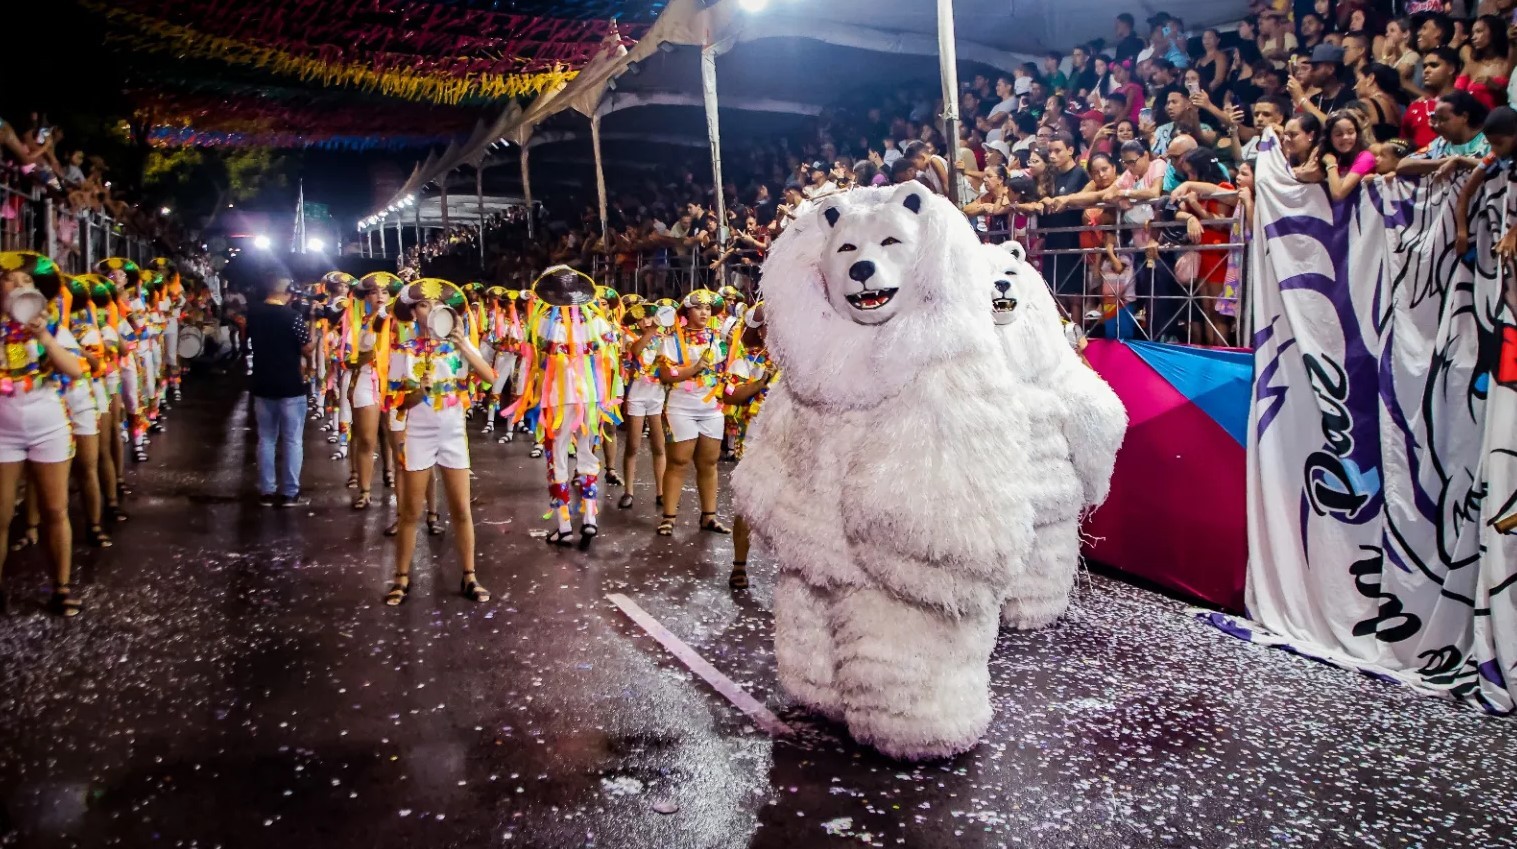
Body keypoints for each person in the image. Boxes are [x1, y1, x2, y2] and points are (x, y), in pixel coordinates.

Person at [385, 279, 495, 605]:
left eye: (435, 304)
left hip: (453, 434)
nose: (429, 309)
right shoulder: (403, 351)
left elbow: (489, 377)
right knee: (409, 511)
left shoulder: (458, 346)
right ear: (413, 312)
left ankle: (469, 576)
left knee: (461, 509)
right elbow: (394, 402)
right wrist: (414, 394)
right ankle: (401, 578)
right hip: (418, 435)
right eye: (422, 304)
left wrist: (463, 345)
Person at [0, 252, 86, 616]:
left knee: (55, 509)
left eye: (27, 283)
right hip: (3, 432)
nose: (21, 287)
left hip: (49, 426)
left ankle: (60, 588)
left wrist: (45, 339)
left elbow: (76, 372)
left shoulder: (52, 327)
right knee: (1, 516)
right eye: (12, 282)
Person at [657, 288, 730, 537]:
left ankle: (709, 517)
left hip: (711, 409)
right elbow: (666, 375)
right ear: (687, 311)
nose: (704, 312)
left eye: (708, 308)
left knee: (709, 464)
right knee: (678, 462)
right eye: (699, 307)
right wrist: (695, 368)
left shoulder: (717, 340)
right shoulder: (672, 339)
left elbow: (724, 372)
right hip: (680, 407)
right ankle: (669, 517)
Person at [246, 265, 314, 508]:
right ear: (286, 291)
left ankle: (266, 490)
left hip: (262, 383)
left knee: (266, 439)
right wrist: (312, 323)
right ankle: (289, 492)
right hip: (290, 384)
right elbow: (307, 347)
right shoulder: (292, 317)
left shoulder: (253, 313)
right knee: (293, 439)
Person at [1453, 107, 1517, 255]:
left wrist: (1513, 233)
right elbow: (1465, 193)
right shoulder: (1493, 158)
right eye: (1490, 144)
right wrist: (1462, 232)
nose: (1495, 149)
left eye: (1499, 143)